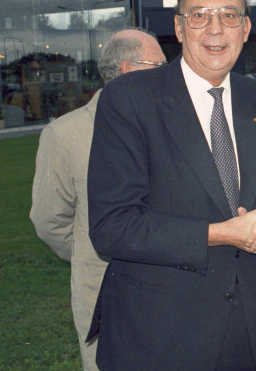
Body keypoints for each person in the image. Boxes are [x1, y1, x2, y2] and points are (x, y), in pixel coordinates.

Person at [85, 0, 256, 371]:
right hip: (157, 337)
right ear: (178, 27)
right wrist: (223, 234)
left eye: (228, 15)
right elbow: (113, 226)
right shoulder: (129, 99)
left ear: (245, 29)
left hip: (246, 332)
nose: (215, 28)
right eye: (199, 15)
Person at [29, 28, 166, 371]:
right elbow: (49, 222)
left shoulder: (172, 128)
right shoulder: (64, 135)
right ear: (127, 70)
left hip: (169, 294)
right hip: (102, 297)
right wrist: (91, 252)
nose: (170, 75)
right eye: (159, 65)